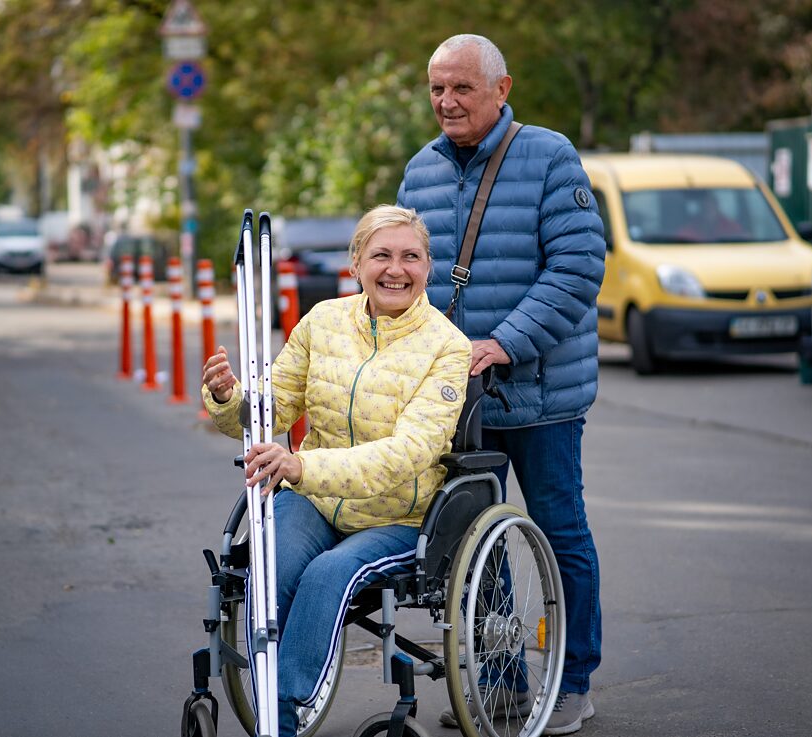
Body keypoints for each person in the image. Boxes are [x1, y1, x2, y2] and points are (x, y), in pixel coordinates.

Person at [397, 34, 606, 735]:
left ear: (501, 88)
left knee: (558, 532)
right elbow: (404, 277)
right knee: (472, 545)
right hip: (457, 400)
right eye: (436, 89)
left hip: (540, 391)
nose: (446, 102)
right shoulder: (419, 172)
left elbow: (577, 268)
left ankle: (572, 681)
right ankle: (500, 684)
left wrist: (503, 344)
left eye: (460, 88)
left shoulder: (548, 156)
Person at [201, 205, 472, 737]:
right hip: (317, 501)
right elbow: (269, 410)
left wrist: (303, 465)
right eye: (382, 255)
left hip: (399, 514)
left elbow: (410, 452)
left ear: (427, 268)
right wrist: (229, 398)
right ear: (356, 263)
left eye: (410, 256)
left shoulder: (447, 347)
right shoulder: (323, 320)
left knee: (329, 573)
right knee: (269, 565)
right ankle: (275, 716)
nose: (396, 269)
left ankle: (282, 711)